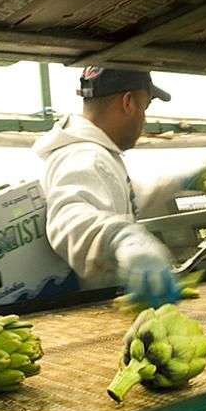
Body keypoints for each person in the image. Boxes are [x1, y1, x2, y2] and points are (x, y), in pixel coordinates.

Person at [33, 66, 180, 308]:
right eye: (145, 107)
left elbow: (119, 194)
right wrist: (121, 238)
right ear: (128, 102)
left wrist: (182, 182)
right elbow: (69, 214)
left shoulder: (96, 154)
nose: (144, 119)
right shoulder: (84, 155)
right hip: (95, 308)